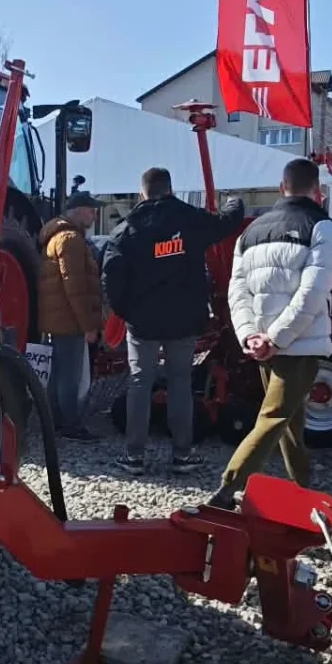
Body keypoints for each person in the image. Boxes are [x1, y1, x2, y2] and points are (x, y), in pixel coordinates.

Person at [211, 156, 332, 505]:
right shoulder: (322, 227)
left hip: (262, 345)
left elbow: (237, 292)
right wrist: (278, 338)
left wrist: (250, 335)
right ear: (317, 190)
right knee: (275, 417)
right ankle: (228, 488)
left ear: (282, 188)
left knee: (290, 418)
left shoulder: (250, 233)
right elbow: (314, 293)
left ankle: (303, 486)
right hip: (298, 345)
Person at [102, 168, 244, 474]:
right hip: (184, 320)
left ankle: (134, 456)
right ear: (170, 189)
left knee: (139, 383)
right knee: (180, 383)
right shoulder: (190, 219)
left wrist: (127, 312)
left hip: (142, 324)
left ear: (142, 192)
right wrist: (234, 201)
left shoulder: (127, 230)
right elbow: (226, 222)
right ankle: (182, 455)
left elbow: (111, 278)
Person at [37, 191, 102, 438]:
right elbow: (75, 287)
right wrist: (88, 325)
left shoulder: (57, 236)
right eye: (91, 209)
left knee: (57, 375)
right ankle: (71, 425)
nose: (95, 214)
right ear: (77, 211)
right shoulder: (71, 239)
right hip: (69, 321)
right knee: (69, 376)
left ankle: (54, 421)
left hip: (57, 319)